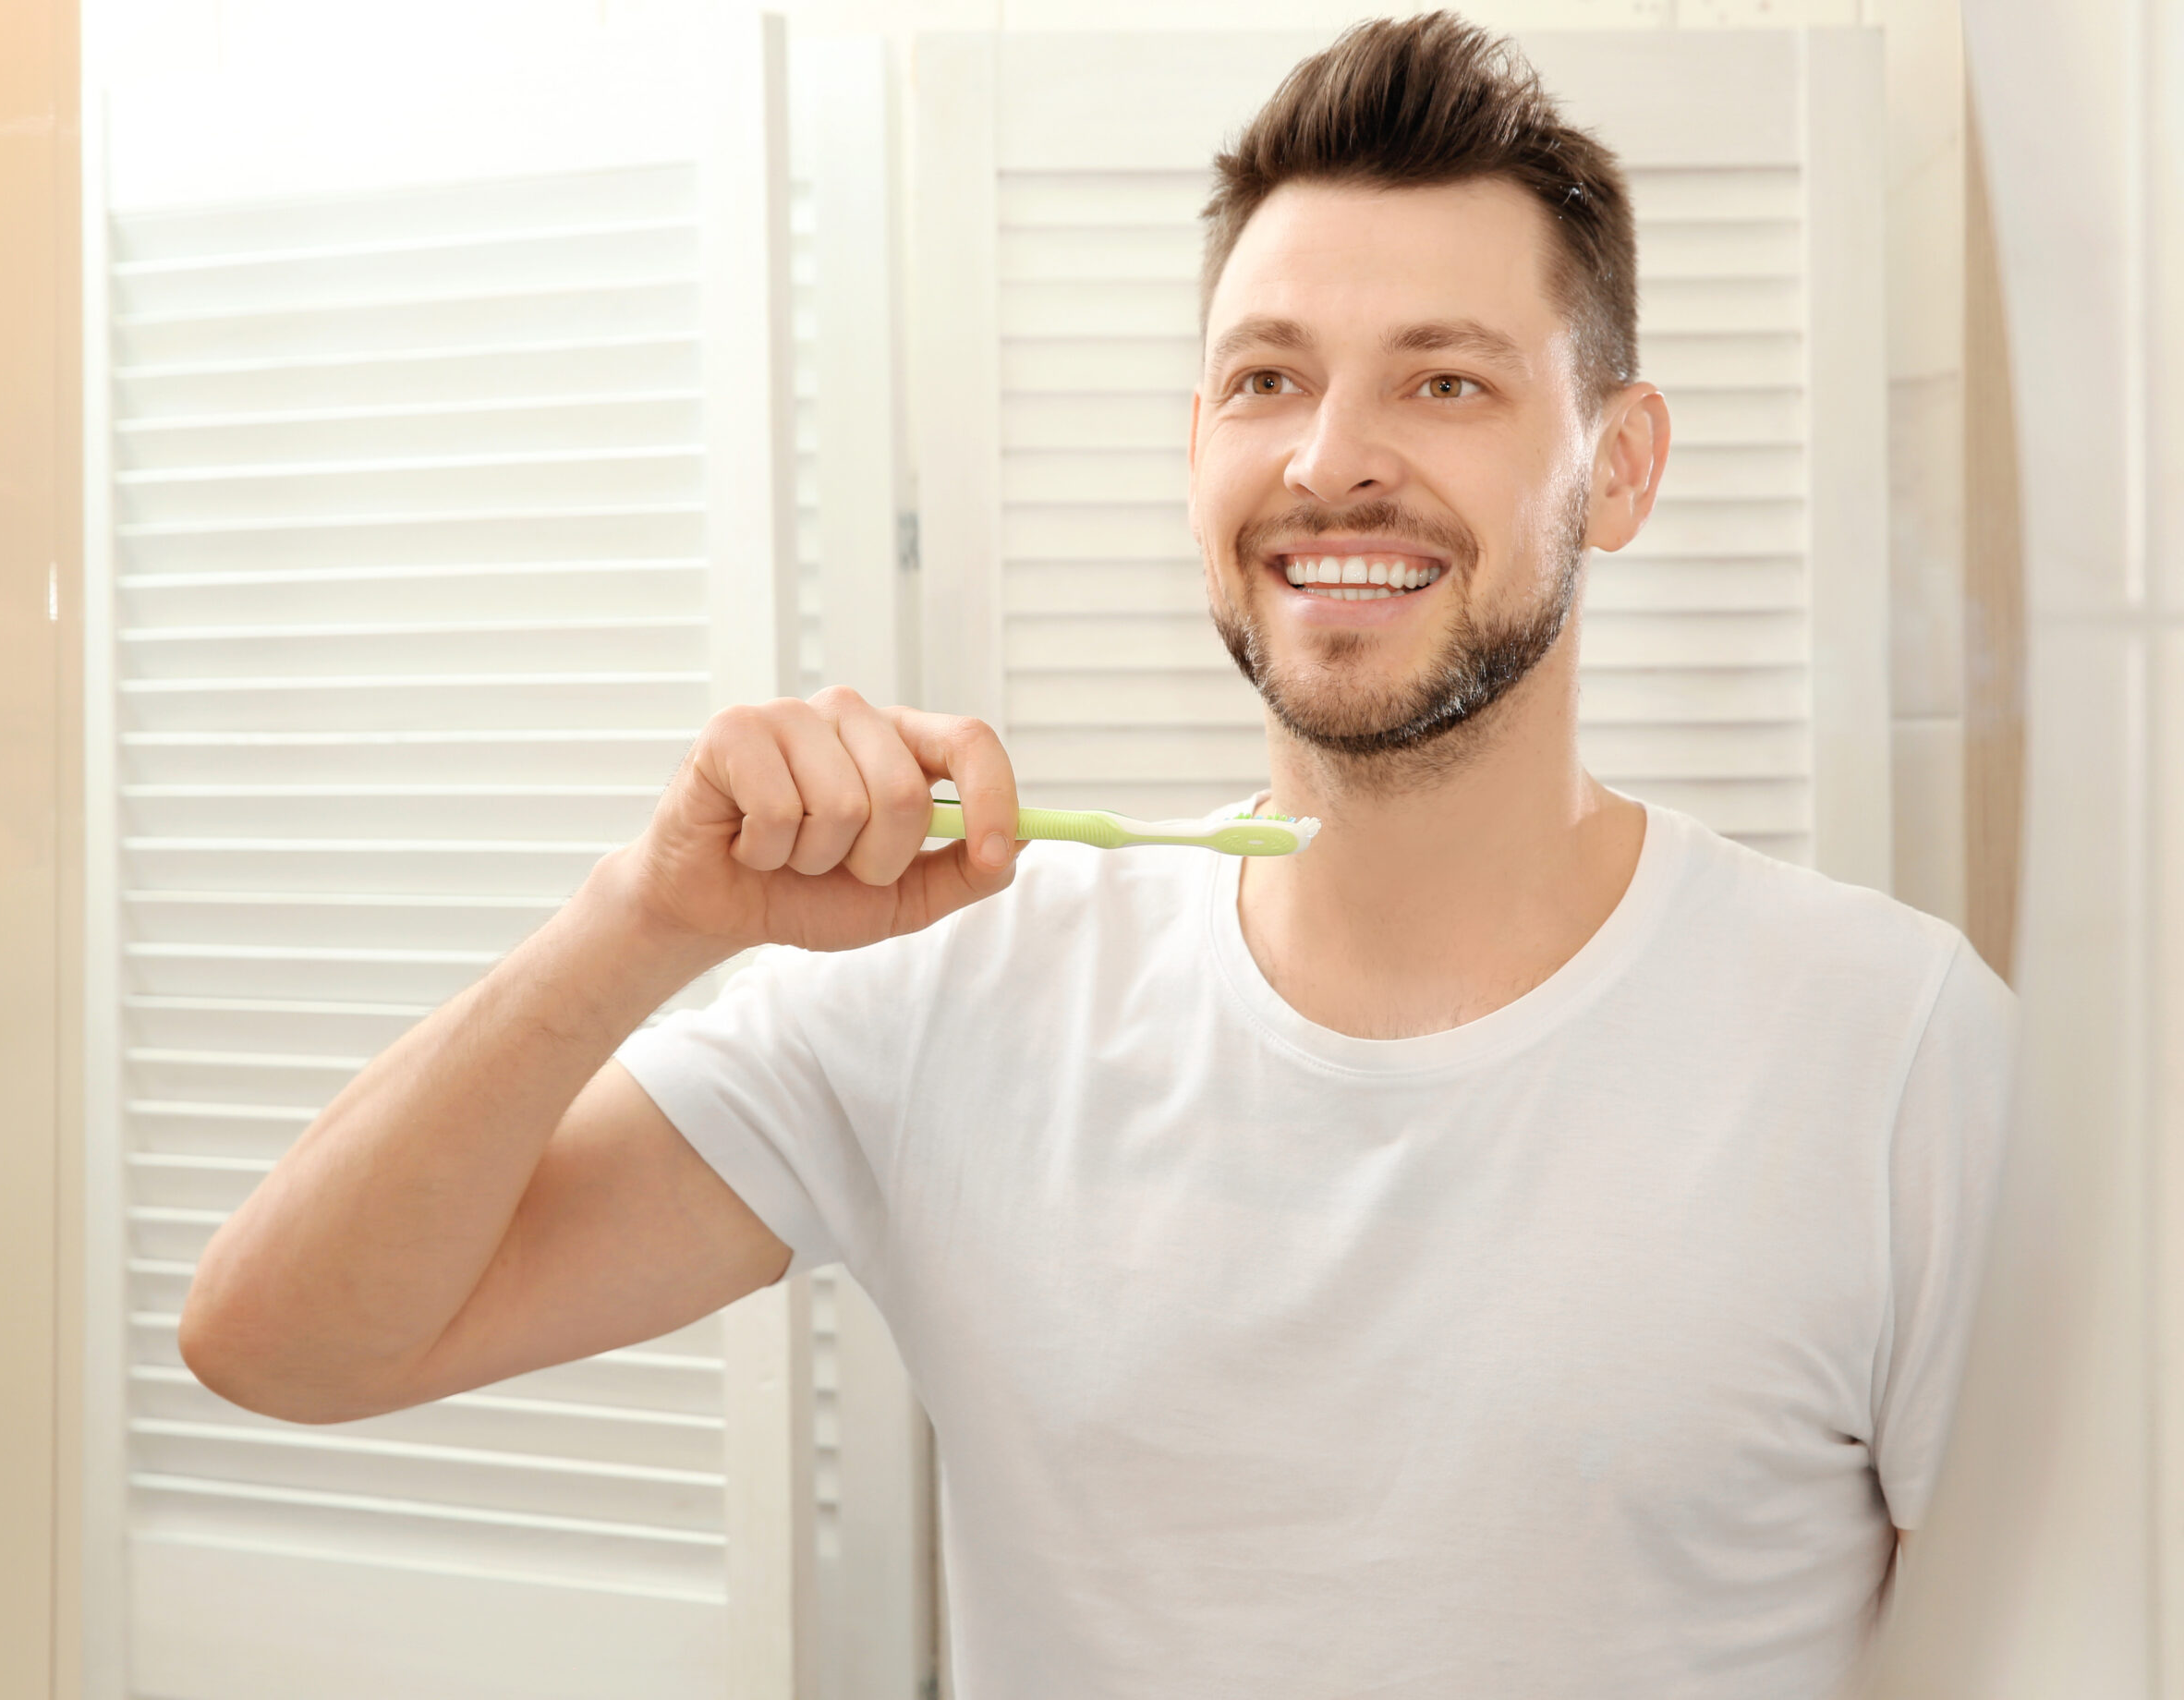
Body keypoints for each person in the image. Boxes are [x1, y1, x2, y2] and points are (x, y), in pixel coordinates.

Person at [179, 14, 2014, 1696]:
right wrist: (644, 915)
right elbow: (282, 1338)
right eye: (1266, 379)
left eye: (1444, 383)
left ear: (1618, 466)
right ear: (1195, 450)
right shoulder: (959, 986)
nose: (1330, 461)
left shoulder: (1892, 1049)